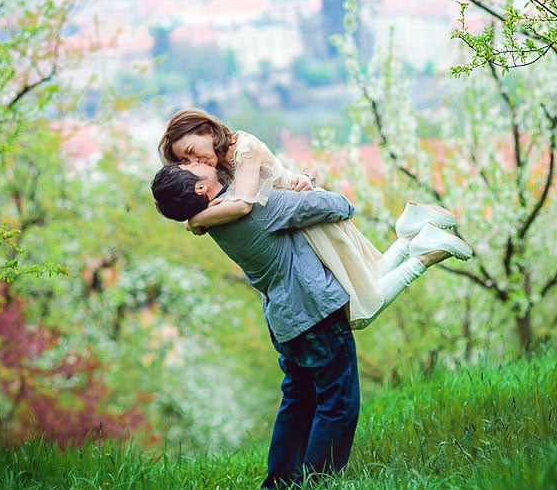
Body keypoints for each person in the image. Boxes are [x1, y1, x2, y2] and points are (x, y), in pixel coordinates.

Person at [150, 159, 466, 490]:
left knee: (299, 400)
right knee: (337, 402)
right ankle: (318, 487)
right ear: (200, 188)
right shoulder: (254, 209)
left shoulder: (216, 219)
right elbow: (339, 206)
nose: (199, 160)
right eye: (190, 165)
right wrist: (305, 182)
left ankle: (281, 484)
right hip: (313, 315)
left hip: (285, 320)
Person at [157, 109, 471, 329]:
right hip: (298, 226)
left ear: (207, 131)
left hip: (310, 225)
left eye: (191, 150)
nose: (193, 160)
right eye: (185, 161)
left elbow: (244, 205)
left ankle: (415, 243)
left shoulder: (244, 149)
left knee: (363, 302)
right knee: (368, 281)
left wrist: (196, 221)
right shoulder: (221, 167)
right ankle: (411, 236)